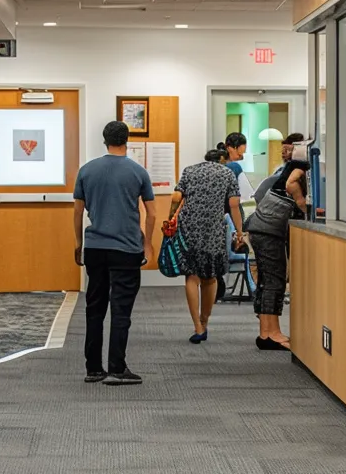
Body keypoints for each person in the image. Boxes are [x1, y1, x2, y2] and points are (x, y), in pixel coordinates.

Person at [73, 121, 155, 385]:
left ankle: (93, 368)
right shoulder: (138, 172)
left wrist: (78, 243)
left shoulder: (87, 170)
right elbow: (152, 212)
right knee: (121, 309)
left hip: (95, 247)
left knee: (94, 308)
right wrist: (148, 243)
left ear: (104, 139)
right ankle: (117, 368)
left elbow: (77, 211)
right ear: (127, 140)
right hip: (126, 248)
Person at [169, 148, 245, 344]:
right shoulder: (227, 173)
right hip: (213, 230)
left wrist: (171, 217)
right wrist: (239, 231)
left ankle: (197, 326)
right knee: (210, 277)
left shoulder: (190, 171)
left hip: (190, 229)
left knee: (192, 276)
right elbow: (234, 204)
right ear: (222, 159)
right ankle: (205, 320)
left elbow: (176, 197)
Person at [251, 137, 307, 352]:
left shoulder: (289, 166)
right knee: (274, 280)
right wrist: (303, 206)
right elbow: (291, 184)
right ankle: (272, 334)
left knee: (267, 281)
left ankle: (266, 332)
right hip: (269, 229)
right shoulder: (300, 165)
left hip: (261, 226)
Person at [253, 132, 307, 204]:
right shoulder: (282, 169)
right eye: (283, 149)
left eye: (287, 149)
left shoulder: (294, 170)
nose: (283, 152)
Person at [220, 132, 252, 198]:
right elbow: (247, 195)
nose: (241, 157)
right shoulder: (233, 167)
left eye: (243, 154)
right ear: (229, 148)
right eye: (239, 154)